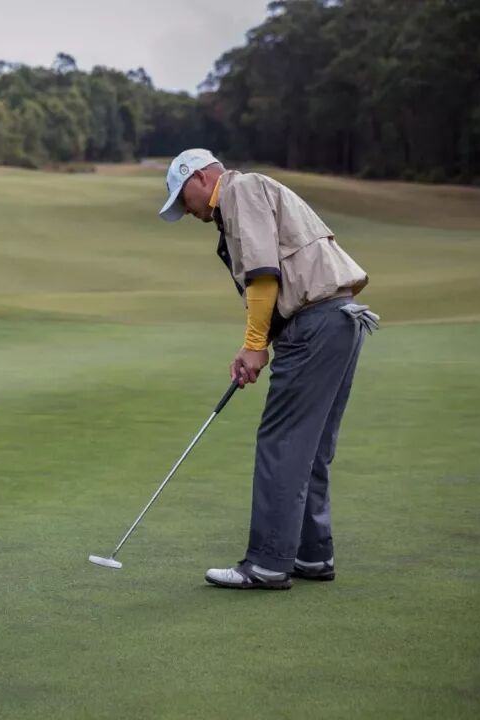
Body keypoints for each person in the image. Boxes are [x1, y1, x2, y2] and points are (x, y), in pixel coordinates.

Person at [158, 149, 378, 590]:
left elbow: (263, 276)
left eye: (184, 198)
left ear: (201, 177)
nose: (188, 211)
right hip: (338, 319)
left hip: (317, 323)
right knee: (310, 447)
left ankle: (267, 564)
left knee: (281, 442)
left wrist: (254, 346)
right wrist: (256, 347)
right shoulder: (249, 194)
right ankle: (311, 555)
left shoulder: (240, 191)